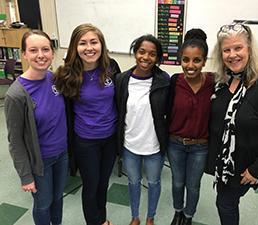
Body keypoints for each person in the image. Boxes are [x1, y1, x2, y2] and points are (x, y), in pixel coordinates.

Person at [205, 23, 258, 225]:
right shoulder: (222, 81)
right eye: (227, 50)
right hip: (225, 164)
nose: (232, 54)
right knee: (226, 203)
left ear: (249, 48)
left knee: (225, 203)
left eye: (238, 48)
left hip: (246, 166)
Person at [54, 23, 120, 225]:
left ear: (101, 44)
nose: (89, 48)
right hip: (85, 141)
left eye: (94, 42)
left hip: (109, 138)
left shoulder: (111, 67)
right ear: (75, 47)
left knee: (103, 184)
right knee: (91, 186)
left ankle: (102, 219)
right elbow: (61, 111)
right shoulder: (66, 75)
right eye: (83, 43)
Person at [4, 30, 69, 225]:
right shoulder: (16, 95)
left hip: (62, 155)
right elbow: (15, 141)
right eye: (33, 50)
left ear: (52, 53)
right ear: (24, 54)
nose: (40, 55)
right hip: (40, 162)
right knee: (43, 204)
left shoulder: (54, 79)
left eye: (45, 49)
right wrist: (25, 176)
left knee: (58, 199)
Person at [115, 34, 170, 225]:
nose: (146, 57)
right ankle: (135, 217)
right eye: (142, 52)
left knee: (154, 183)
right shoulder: (121, 79)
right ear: (135, 52)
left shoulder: (164, 80)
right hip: (130, 145)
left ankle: (150, 217)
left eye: (152, 54)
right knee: (133, 182)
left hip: (154, 145)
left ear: (157, 58)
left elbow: (169, 112)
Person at [167, 29, 214, 225]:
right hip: (175, 144)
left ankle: (188, 216)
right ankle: (178, 212)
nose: (190, 65)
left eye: (196, 60)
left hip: (200, 147)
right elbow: (166, 112)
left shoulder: (214, 82)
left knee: (193, 185)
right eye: (185, 60)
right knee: (178, 182)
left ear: (204, 61)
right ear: (180, 60)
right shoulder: (175, 81)